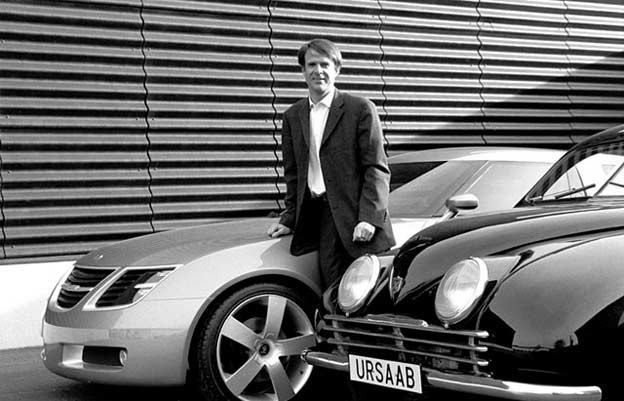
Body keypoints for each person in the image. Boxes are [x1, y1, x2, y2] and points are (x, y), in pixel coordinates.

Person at [267, 38, 395, 288]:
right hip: (323, 219)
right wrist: (288, 219)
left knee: (366, 294)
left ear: (337, 69)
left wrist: (368, 217)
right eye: (311, 64)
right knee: (332, 291)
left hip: (359, 219)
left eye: (325, 64)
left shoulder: (360, 109)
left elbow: (376, 168)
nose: (318, 71)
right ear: (302, 71)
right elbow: (294, 175)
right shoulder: (293, 116)